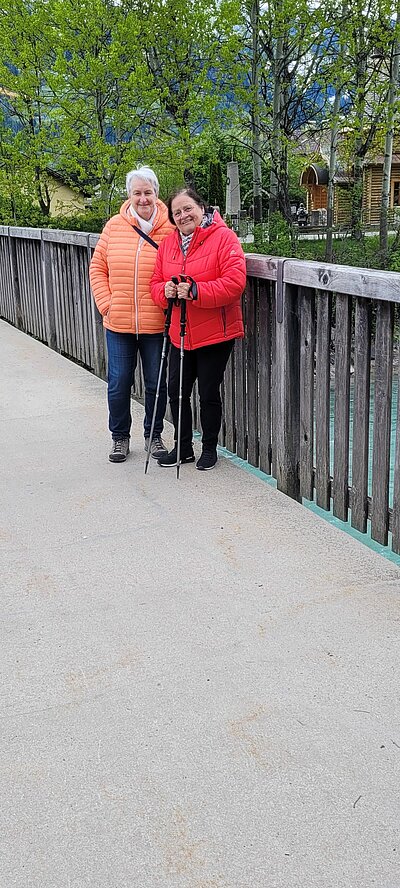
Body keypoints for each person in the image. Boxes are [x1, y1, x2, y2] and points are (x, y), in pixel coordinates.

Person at [150, 187, 247, 471]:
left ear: (201, 208)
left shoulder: (224, 238)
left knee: (207, 392)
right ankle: (182, 448)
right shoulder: (168, 244)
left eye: (187, 208)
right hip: (180, 331)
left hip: (215, 331)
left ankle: (208, 448)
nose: (183, 216)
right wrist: (164, 291)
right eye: (177, 212)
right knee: (176, 390)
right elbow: (155, 283)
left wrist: (195, 291)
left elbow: (234, 283)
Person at [89, 166, 174, 463]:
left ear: (156, 193)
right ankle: (120, 438)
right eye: (137, 193)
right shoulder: (114, 226)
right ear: (129, 195)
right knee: (119, 381)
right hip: (119, 322)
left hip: (156, 322)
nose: (142, 199)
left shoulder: (171, 228)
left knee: (155, 383)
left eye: (147, 192)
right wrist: (107, 304)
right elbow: (97, 268)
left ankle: (153, 435)